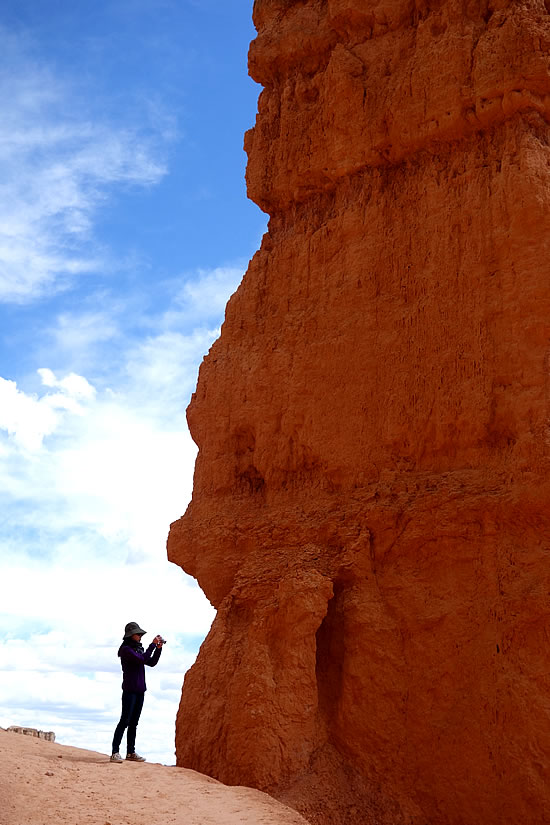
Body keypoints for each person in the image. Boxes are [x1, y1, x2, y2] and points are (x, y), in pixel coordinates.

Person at [110, 621, 164, 763]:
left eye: (140, 634)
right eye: (138, 634)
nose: (140, 636)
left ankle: (130, 752)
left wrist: (158, 649)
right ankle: (115, 752)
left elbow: (151, 662)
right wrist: (152, 645)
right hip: (129, 690)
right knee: (125, 721)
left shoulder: (137, 649)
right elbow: (143, 659)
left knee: (134, 722)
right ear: (130, 635)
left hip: (140, 691)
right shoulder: (126, 650)